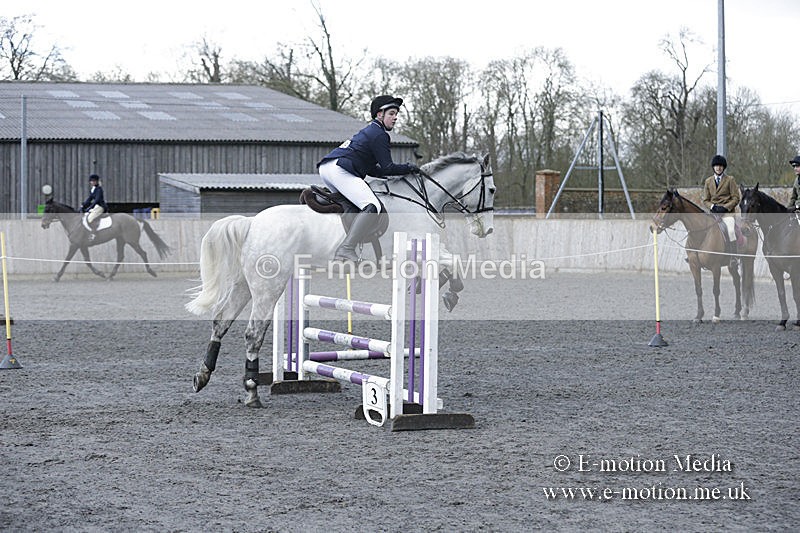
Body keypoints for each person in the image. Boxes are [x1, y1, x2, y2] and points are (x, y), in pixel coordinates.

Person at [317, 95, 420, 262]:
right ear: (380, 114)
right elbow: (388, 167)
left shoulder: (370, 131)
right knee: (372, 206)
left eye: (396, 114)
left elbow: (373, 170)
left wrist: (395, 173)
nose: (395, 118)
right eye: (392, 114)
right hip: (340, 170)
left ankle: (352, 245)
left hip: (328, 168)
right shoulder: (380, 134)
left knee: (352, 206)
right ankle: (347, 248)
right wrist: (408, 168)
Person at [701, 154, 740, 262]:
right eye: (716, 166)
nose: (718, 168)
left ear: (723, 167)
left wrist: (725, 208)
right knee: (700, 228)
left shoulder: (730, 180)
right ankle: (694, 254)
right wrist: (713, 206)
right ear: (713, 167)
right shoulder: (708, 181)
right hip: (713, 213)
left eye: (720, 166)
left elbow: (736, 198)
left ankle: (733, 256)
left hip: (727, 213)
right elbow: (705, 200)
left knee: (731, 230)